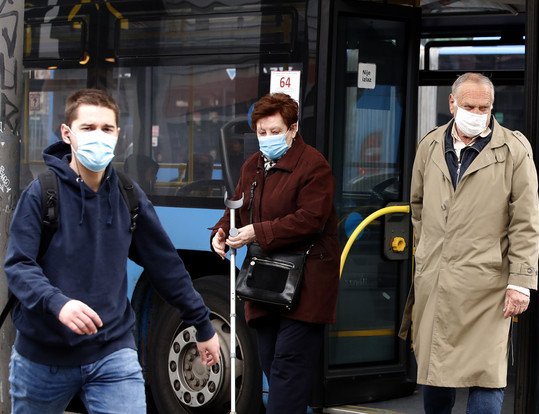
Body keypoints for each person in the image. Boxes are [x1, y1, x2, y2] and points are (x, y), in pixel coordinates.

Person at [4, 88, 220, 414]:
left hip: (112, 354)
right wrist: (58, 304)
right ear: (67, 133)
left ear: (118, 134)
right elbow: (19, 265)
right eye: (88, 128)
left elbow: (166, 265)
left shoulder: (128, 195)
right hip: (43, 359)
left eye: (107, 129)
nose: (99, 137)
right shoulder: (41, 194)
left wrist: (202, 324)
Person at [399, 73, 539, 414]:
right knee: (435, 370)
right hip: (438, 280)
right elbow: (417, 208)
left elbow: (526, 221)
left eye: (484, 107)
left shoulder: (514, 150)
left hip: (488, 285)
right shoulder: (430, 144)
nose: (477, 113)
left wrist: (520, 282)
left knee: (487, 374)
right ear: (452, 104)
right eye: (469, 106)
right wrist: (431, 255)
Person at [210, 92, 340, 414]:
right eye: (261, 132)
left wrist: (259, 232)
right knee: (272, 363)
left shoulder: (314, 166)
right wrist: (222, 231)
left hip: (306, 284)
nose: (267, 139)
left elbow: (311, 219)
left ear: (293, 129)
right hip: (266, 282)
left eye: (275, 131)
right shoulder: (252, 165)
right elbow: (238, 207)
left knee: (286, 369)